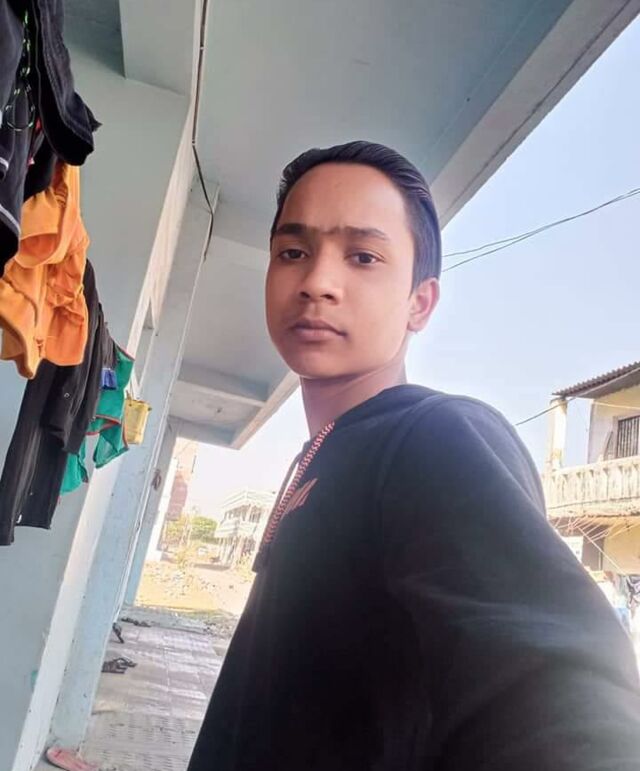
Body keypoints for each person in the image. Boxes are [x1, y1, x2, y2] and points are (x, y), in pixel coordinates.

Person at [188, 141, 640, 770]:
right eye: (293, 253)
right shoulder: (326, 451)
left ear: (419, 303)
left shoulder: (435, 435)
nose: (317, 283)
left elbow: (556, 688)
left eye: (363, 256)